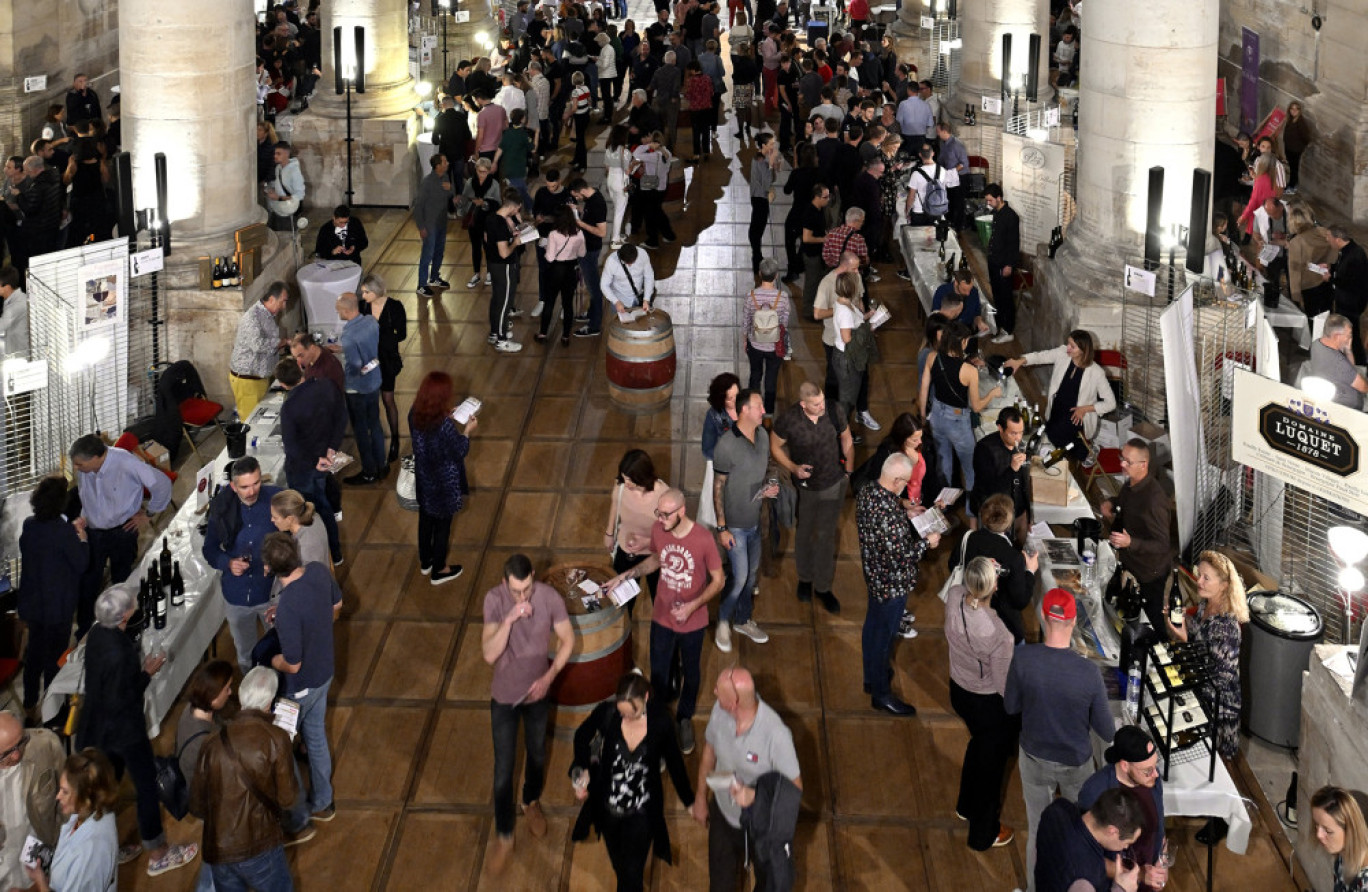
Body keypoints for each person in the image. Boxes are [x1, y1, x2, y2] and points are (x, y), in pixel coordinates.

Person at [75, 585, 198, 878]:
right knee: (145, 786)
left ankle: (106, 846)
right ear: (125, 617)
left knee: (104, 786)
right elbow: (126, 698)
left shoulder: (96, 636)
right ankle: (157, 852)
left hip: (97, 728)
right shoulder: (121, 651)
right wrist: (146, 673)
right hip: (125, 732)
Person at [1005, 588, 1116, 891]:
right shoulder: (1088, 673)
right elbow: (1106, 731)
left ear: (1042, 616)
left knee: (1038, 829)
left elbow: (1010, 706)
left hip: (1033, 757)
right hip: (1075, 764)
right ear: (1073, 622)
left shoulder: (1023, 658)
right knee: (1081, 834)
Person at [601, 488, 724, 755]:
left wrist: (692, 606)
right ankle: (657, 718)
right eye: (659, 512)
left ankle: (684, 718)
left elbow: (719, 580)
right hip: (663, 617)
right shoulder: (659, 530)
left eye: (666, 514)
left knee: (691, 672)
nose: (661, 518)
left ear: (682, 511)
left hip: (693, 622)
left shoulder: (703, 539)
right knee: (658, 671)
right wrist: (629, 574)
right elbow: (657, 559)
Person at [481, 554, 575, 875]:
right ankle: (505, 835)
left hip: (538, 694)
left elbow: (567, 640)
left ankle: (530, 801)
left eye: (527, 588)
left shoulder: (549, 597)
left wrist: (549, 677)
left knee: (537, 754)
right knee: (503, 768)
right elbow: (490, 654)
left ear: (533, 576)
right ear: (505, 582)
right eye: (516, 591)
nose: (523, 596)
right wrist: (509, 619)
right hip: (505, 697)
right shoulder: (494, 601)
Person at [569, 673, 694, 891]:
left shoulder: (661, 722)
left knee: (632, 876)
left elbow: (675, 764)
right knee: (620, 867)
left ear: (646, 697)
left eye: (632, 713)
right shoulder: (607, 713)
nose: (626, 718)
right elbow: (581, 736)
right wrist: (582, 770)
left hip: (642, 813)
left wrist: (690, 801)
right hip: (609, 812)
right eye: (622, 713)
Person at [190, 667, 309, 891]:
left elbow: (196, 805)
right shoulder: (276, 737)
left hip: (218, 848)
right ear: (270, 701)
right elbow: (287, 799)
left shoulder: (212, 742)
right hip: (260, 846)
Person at [690, 667, 802, 891]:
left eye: (718, 691)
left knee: (767, 884)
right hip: (723, 815)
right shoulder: (719, 712)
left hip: (760, 829)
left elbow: (794, 789)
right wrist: (701, 798)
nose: (713, 692)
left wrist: (754, 796)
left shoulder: (776, 735)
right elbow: (709, 752)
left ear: (734, 703)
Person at [263, 532, 343, 826]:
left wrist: (272, 660)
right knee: (316, 737)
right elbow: (336, 606)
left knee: (282, 748)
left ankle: (297, 819)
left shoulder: (288, 607)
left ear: (268, 569)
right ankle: (323, 801)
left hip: (299, 689)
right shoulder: (319, 572)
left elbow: (292, 665)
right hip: (325, 672)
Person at [856, 452, 940, 716]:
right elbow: (901, 557)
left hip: (873, 576)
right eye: (904, 483)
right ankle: (881, 694)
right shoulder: (889, 519)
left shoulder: (869, 490)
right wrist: (928, 542)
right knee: (883, 638)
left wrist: (906, 507)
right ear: (896, 480)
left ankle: (871, 677)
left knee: (872, 628)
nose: (905, 487)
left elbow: (889, 505)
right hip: (891, 585)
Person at [945, 556, 1018, 850]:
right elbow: (1003, 686)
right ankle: (982, 834)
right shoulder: (999, 634)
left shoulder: (953, 598)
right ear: (995, 586)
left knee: (978, 746)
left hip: (958, 690)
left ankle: (965, 805)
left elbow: (960, 587)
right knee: (991, 770)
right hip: (986, 703)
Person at [68, 434, 171, 637]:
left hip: (122, 533)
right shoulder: (85, 469)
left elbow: (162, 484)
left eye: (80, 464)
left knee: (122, 580)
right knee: (88, 584)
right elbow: (86, 496)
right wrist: (83, 518)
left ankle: (120, 628)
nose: (76, 469)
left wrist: (149, 513)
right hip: (93, 533)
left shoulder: (126, 462)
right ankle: (84, 630)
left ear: (96, 457)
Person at [771, 382, 854, 614]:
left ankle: (823, 587)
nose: (822, 407)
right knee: (805, 533)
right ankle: (805, 579)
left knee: (826, 537)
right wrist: (793, 467)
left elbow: (846, 438)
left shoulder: (834, 410)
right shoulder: (789, 420)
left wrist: (848, 469)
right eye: (816, 405)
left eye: (822, 401)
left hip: (834, 484)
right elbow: (775, 446)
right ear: (803, 404)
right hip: (806, 489)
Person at [203, 457, 282, 673]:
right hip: (236, 596)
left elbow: (295, 538)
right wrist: (227, 563)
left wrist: (277, 560)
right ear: (233, 486)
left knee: (279, 647)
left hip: (271, 594)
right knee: (245, 654)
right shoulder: (222, 507)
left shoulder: (276, 499)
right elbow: (209, 548)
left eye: (256, 483)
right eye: (245, 487)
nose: (252, 491)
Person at [1166, 551, 1247, 760]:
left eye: (1206, 578)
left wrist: (1184, 642)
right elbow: (1198, 635)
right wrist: (1182, 620)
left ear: (1224, 585)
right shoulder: (1206, 604)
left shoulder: (1226, 627)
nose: (1198, 581)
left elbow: (1219, 679)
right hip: (1198, 694)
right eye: (1198, 574)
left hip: (1218, 710)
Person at [712, 389, 776, 652]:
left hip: (756, 520)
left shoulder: (762, 435)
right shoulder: (726, 445)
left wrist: (770, 485)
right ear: (744, 410)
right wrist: (722, 528)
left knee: (750, 578)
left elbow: (767, 467)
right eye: (759, 406)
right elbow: (718, 487)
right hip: (735, 527)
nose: (763, 411)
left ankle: (742, 620)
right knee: (739, 579)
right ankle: (723, 622)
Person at [18, 477, 87, 717]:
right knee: (54, 658)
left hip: (33, 604)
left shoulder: (29, 525)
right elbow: (80, 564)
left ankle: (29, 705)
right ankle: (51, 708)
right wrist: (83, 540)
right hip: (58, 606)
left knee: (34, 655)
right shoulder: (63, 532)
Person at [1077, 726, 1169, 891]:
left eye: (1155, 766)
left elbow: (1159, 829)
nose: (1155, 774)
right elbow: (1087, 856)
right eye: (1147, 770)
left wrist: (1162, 864)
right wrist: (1140, 875)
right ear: (1125, 765)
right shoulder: (1094, 792)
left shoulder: (1153, 781)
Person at [1005, 329, 1117, 462]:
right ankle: (1084, 451)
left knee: (1052, 436)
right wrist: (1020, 361)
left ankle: (1050, 459)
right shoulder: (1062, 353)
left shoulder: (1096, 372)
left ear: (1083, 350)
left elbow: (1111, 403)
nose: (1068, 348)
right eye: (1068, 343)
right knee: (1049, 434)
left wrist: (1085, 409)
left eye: (1072, 346)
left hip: (1077, 414)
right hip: (1057, 407)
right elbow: (1040, 356)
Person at [1100, 439, 1176, 633]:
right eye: (1122, 458)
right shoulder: (1131, 484)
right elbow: (1125, 502)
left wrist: (1131, 542)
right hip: (1131, 564)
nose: (1122, 465)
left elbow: (1162, 545)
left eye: (1128, 462)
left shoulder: (1154, 500)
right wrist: (1112, 502)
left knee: (1152, 620)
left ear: (1144, 465)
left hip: (1150, 573)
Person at [275, 358, 344, 564]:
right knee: (324, 503)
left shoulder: (289, 408)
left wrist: (315, 461)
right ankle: (337, 553)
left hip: (304, 469)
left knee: (313, 510)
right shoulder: (326, 386)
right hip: (325, 457)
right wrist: (332, 447)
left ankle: (328, 553)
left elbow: (292, 448)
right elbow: (341, 416)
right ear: (301, 368)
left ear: (282, 384)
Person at [408, 370, 475, 584]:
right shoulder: (444, 426)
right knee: (443, 526)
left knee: (425, 520)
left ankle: (425, 561)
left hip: (424, 476)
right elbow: (459, 450)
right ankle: (439, 569)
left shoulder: (414, 412)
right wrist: (467, 431)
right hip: (443, 482)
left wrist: (446, 414)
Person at [919, 323, 1000, 495]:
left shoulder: (932, 357)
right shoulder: (970, 371)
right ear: (962, 342)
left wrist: (922, 416)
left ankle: (945, 503)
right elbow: (976, 406)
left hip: (937, 416)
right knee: (971, 468)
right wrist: (992, 394)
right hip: (957, 421)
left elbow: (924, 389)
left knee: (944, 462)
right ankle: (972, 512)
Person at [24, 749, 119, 892]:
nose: (58, 797)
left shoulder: (89, 851)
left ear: (85, 795)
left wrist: (40, 881)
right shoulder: (87, 813)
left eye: (65, 792)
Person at [1034, 788, 1145, 892]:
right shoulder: (1086, 880)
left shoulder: (1058, 809)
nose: (1126, 847)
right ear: (1112, 831)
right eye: (1127, 843)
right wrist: (1121, 889)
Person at [0, 713, 64, 890]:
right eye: (6, 753)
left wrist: (65, 845)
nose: (17, 755)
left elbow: (67, 799)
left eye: (20, 742)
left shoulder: (45, 746)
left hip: (39, 851)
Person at [332, 291, 388, 483]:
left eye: (338, 309)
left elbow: (355, 364)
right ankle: (382, 464)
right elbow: (369, 347)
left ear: (346, 310)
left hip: (357, 389)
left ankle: (369, 472)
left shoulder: (348, 334)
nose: (337, 312)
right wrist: (342, 349)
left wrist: (351, 372)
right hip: (374, 382)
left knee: (361, 431)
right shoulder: (371, 321)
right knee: (375, 424)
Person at [603, 449, 669, 602]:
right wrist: (609, 533)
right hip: (626, 551)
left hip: (654, 555)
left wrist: (647, 542)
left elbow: (670, 534)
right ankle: (627, 625)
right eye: (624, 478)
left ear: (643, 476)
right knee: (622, 601)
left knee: (659, 600)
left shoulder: (663, 495)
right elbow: (615, 503)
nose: (626, 483)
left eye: (631, 479)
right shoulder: (621, 485)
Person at [360, 273, 407, 463]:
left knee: (388, 399)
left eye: (366, 292)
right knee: (369, 401)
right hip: (369, 359)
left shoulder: (395, 307)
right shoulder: (364, 306)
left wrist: (381, 337)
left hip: (386, 359)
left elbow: (402, 334)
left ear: (376, 291)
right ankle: (375, 439)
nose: (363, 296)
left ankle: (395, 438)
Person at [228, 281, 288, 418]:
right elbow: (257, 345)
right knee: (251, 422)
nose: (284, 307)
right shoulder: (252, 317)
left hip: (259, 377)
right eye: (283, 301)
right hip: (247, 380)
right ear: (272, 299)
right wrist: (282, 342)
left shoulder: (267, 315)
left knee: (261, 419)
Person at [971, 406, 1033, 540]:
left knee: (1020, 548)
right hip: (997, 515)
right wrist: (1011, 470)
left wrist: (1029, 515)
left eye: (1020, 432)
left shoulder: (1021, 446)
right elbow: (987, 489)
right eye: (1013, 433)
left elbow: (1024, 483)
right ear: (1000, 427)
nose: (1018, 438)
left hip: (1019, 510)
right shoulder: (984, 449)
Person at [743, 258, 792, 414]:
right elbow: (784, 322)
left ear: (759, 274)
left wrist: (745, 340)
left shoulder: (751, 296)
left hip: (755, 344)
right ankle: (769, 414)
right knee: (771, 379)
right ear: (776, 276)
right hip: (774, 346)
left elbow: (746, 321)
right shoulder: (783, 297)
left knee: (755, 375)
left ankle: (753, 409)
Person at [568, 177, 610, 339]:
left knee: (593, 288)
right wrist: (578, 209)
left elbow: (602, 232)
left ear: (582, 191)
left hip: (590, 249)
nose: (577, 198)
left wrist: (580, 223)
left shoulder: (597, 203)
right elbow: (589, 214)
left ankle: (594, 325)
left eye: (577, 196)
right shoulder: (592, 195)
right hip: (586, 247)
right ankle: (591, 313)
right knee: (592, 284)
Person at [699, 372, 740, 529]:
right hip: (726, 469)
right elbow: (707, 449)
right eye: (730, 398)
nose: (736, 401)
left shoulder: (747, 405)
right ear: (720, 399)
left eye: (737, 395)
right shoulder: (713, 416)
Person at [485, 192, 525, 353]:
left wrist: (510, 235)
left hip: (493, 264)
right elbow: (504, 253)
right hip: (505, 266)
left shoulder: (491, 218)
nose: (517, 213)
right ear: (513, 207)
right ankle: (502, 340)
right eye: (517, 210)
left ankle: (495, 332)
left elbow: (489, 240)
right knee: (504, 303)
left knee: (496, 299)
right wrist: (515, 242)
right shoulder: (501, 224)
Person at [1310, 786, 1368, 892]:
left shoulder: (1365, 883)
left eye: (1328, 831)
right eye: (1317, 825)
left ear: (1352, 833)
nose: (1319, 835)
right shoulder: (1343, 855)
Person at [413, 154, 454, 299]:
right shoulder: (427, 183)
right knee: (427, 254)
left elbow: (450, 195)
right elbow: (418, 207)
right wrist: (421, 227)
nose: (447, 163)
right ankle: (421, 285)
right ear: (438, 166)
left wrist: (450, 189)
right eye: (445, 161)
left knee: (439, 251)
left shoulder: (445, 177)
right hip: (430, 225)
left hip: (441, 222)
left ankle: (434, 277)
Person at [1307, 314, 1368, 410]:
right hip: (1347, 406)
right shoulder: (1340, 363)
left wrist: (1348, 350)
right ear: (1337, 336)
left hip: (1328, 389)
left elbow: (1350, 368)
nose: (1350, 339)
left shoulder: (1316, 344)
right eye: (1348, 335)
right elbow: (1364, 388)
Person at [1327, 226, 1368, 367]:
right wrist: (1330, 268)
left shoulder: (1355, 255)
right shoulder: (1349, 250)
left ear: (1337, 239)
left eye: (1329, 237)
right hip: (1348, 301)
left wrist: (1330, 279)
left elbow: (1349, 282)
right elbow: (1342, 269)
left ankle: (1360, 363)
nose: (1327, 240)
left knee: (1352, 334)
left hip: (1351, 304)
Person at [984, 184, 1021, 342]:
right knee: (997, 296)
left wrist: (1009, 265)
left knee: (1005, 298)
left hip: (1003, 265)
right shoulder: (997, 212)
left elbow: (1013, 243)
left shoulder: (1011, 217)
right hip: (994, 261)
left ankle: (1008, 330)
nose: (988, 203)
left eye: (990, 200)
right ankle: (998, 325)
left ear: (999, 198)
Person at [462, 158, 504, 290]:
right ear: (476, 170)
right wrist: (462, 206)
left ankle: (490, 273)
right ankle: (476, 274)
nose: (482, 174)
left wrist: (485, 203)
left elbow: (498, 204)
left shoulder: (494, 184)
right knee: (476, 248)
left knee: (488, 247)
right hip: (474, 220)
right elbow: (464, 198)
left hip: (488, 222)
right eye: (480, 171)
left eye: (485, 172)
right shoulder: (470, 182)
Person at [630, 131, 676, 249]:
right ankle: (669, 235)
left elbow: (636, 153)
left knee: (650, 215)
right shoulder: (668, 153)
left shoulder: (653, 156)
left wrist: (648, 146)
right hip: (662, 187)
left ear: (654, 143)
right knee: (658, 212)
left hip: (651, 188)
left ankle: (653, 241)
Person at [1287, 204, 1336, 317]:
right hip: (1326, 280)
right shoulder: (1324, 232)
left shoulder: (1296, 243)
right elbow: (1334, 248)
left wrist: (1296, 296)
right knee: (1327, 314)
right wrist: (1329, 264)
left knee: (1313, 317)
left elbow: (1294, 272)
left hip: (1308, 286)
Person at [269, 489, 331, 572]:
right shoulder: (314, 517)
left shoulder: (304, 549)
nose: (272, 520)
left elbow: (309, 581)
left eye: (275, 517)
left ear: (290, 519)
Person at [747, 134, 781, 274]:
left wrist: (773, 165)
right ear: (763, 146)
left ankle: (757, 254)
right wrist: (771, 165)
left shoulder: (761, 158)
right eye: (771, 144)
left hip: (759, 197)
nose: (773, 146)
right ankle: (757, 257)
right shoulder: (760, 161)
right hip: (760, 198)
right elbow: (767, 185)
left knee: (757, 227)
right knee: (757, 228)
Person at [601, 243, 656, 317]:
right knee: (619, 326)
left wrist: (646, 299)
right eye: (627, 263)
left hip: (639, 299)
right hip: (620, 300)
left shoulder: (643, 254)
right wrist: (616, 301)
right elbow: (604, 285)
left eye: (633, 262)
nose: (630, 265)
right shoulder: (611, 261)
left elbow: (649, 276)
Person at [264, 142, 305, 232]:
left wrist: (279, 198)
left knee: (287, 238)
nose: (275, 156)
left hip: (289, 212)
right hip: (278, 209)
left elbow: (299, 195)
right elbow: (281, 184)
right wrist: (272, 189)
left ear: (286, 154)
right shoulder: (278, 167)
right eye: (274, 153)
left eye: (278, 154)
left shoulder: (294, 172)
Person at [604, 125, 634, 247]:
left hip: (610, 180)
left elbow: (606, 167)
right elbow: (627, 171)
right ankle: (615, 239)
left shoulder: (608, 149)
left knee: (617, 209)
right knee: (619, 212)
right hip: (620, 182)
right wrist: (634, 164)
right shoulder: (625, 152)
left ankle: (619, 234)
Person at [1283, 101, 1312, 193]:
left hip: (1295, 150)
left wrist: (1300, 146)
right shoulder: (1290, 120)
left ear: (1300, 111)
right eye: (1292, 108)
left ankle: (1292, 186)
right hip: (1289, 148)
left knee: (1294, 169)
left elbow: (1306, 137)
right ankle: (1291, 185)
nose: (1294, 111)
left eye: (1297, 109)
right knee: (1292, 168)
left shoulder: (1300, 122)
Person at [0, 266, 29, 357]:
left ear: (7, 287)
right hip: (14, 355)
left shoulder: (16, 305)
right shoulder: (12, 300)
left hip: (20, 359)